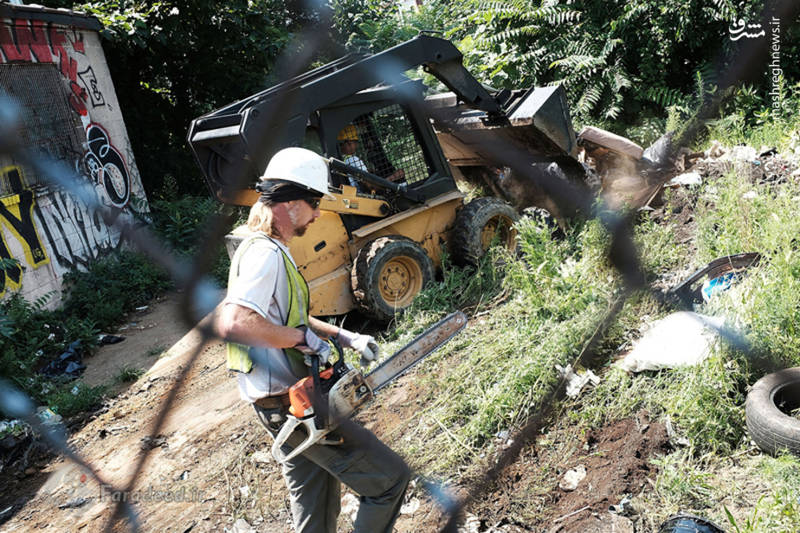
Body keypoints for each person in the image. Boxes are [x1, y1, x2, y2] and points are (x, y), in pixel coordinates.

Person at [215, 147, 410, 533]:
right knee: (389, 482)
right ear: (289, 202)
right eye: (314, 201)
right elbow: (235, 323)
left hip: (279, 405)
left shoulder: (267, 249)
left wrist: (344, 336)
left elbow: (283, 315)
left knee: (317, 512)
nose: (319, 213)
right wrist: (299, 338)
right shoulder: (264, 255)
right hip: (293, 406)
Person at [337, 124, 405, 188]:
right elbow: (371, 187)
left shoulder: (342, 161)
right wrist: (394, 177)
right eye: (356, 142)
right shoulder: (354, 160)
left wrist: (368, 172)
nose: (356, 146)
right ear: (350, 143)